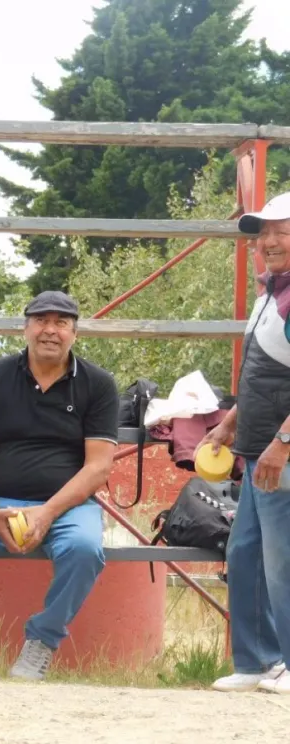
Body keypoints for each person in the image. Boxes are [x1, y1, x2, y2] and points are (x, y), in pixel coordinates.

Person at [0, 291, 118, 681]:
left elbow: (98, 467)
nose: (50, 331)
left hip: (68, 507)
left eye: (61, 323)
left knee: (85, 550)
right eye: (41, 321)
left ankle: (42, 641)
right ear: (25, 328)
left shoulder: (99, 384)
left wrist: (48, 512)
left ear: (75, 333)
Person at [208, 191, 290, 694]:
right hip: (258, 450)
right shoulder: (270, 293)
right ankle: (257, 662)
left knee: (283, 564)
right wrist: (230, 422)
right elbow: (261, 370)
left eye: (281, 231)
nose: (269, 241)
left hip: (281, 452)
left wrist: (283, 441)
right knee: (245, 555)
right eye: (263, 233)